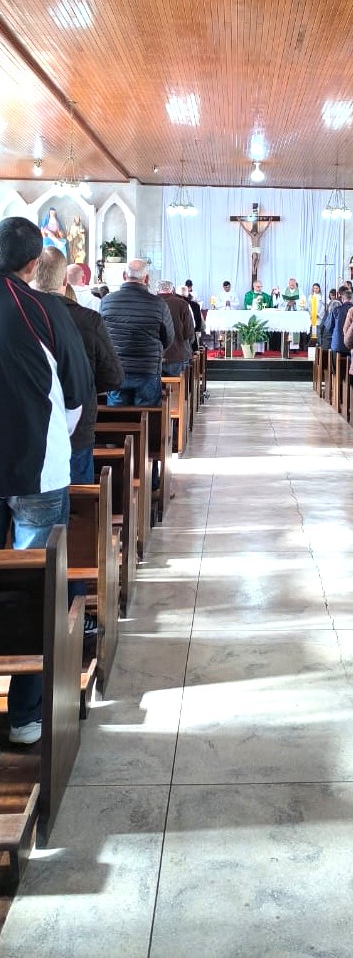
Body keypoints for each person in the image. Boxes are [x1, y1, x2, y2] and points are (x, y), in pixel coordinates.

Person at [0, 216, 93, 745]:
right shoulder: (43, 308)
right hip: (35, 467)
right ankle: (26, 716)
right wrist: (53, 434)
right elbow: (79, 396)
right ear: (35, 265)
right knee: (34, 584)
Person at [32, 246, 124, 484]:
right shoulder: (86, 319)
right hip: (76, 428)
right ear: (64, 279)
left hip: (27, 429)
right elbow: (113, 377)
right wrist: (87, 385)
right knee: (75, 500)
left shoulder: (16, 314)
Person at [100, 259, 174, 407]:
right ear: (146, 279)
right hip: (147, 369)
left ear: (124, 276)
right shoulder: (158, 304)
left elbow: (101, 336)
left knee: (117, 421)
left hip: (116, 369)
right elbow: (168, 338)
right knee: (148, 421)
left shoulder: (107, 302)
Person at [157, 280, 195, 375]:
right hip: (177, 354)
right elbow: (189, 332)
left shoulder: (149, 303)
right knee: (179, 388)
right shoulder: (182, 304)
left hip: (154, 357)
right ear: (172, 290)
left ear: (156, 290)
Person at [330, 287, 353, 356]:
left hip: (337, 345)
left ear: (342, 299)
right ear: (352, 299)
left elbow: (330, 327)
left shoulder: (336, 310)